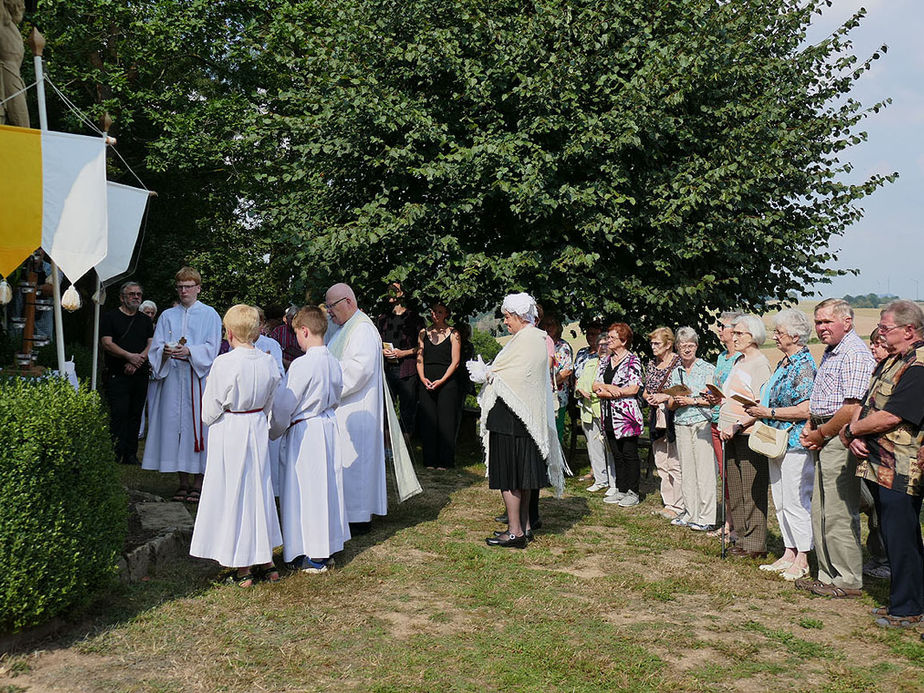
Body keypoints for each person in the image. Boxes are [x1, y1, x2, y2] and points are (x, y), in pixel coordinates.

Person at [843, 300, 924, 626]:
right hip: (881, 464)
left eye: (885, 327)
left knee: (902, 539)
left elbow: (893, 415)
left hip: (903, 470)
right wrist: (858, 434)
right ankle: (905, 599)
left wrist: (851, 429)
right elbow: (870, 402)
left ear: (908, 330)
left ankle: (908, 609)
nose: (880, 332)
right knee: (896, 537)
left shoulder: (917, 367)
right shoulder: (894, 361)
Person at [189, 304, 282, 587]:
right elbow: (270, 399)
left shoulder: (224, 363)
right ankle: (266, 561)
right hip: (255, 426)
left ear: (229, 332)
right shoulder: (267, 361)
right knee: (258, 490)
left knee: (235, 492)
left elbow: (209, 412)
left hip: (231, 429)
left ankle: (243, 567)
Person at [470, 292, 565, 548]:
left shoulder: (527, 340)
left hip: (512, 420)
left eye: (508, 317)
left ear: (520, 316)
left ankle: (514, 532)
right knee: (521, 477)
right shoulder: (534, 338)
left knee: (511, 477)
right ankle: (523, 527)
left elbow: (516, 377)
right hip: (521, 419)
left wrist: (487, 374)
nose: (506, 322)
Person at [797, 298, 874, 598]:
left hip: (839, 437)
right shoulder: (832, 352)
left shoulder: (854, 353)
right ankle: (828, 575)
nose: (821, 327)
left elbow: (852, 407)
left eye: (827, 321)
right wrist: (811, 426)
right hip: (824, 433)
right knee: (822, 510)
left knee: (839, 512)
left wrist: (821, 433)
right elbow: (823, 398)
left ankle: (847, 580)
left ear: (848, 322)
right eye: (818, 322)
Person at [326, 283, 418, 533]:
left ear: (347, 301)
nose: (329, 312)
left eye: (331, 306)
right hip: (345, 408)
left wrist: (327, 384)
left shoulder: (363, 329)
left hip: (357, 407)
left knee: (357, 464)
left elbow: (359, 370)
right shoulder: (344, 329)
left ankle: (358, 516)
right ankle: (348, 512)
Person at [270, 305, 350, 574]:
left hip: (305, 432)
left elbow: (284, 405)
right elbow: (337, 397)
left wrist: (274, 430)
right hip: (326, 426)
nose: (297, 341)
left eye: (297, 335)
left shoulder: (303, 365)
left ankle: (308, 552)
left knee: (305, 491)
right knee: (325, 488)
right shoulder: (334, 362)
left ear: (304, 331)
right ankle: (326, 547)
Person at [742, 309, 816, 580]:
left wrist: (769, 414)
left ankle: (804, 558)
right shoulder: (785, 363)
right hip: (776, 440)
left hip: (796, 442)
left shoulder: (805, 367)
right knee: (781, 500)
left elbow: (806, 408)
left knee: (797, 500)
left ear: (795, 336)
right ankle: (789, 551)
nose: (774, 336)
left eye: (779, 333)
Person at [142, 267, 222, 503]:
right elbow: (155, 349)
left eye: (188, 286)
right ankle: (182, 481)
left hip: (197, 380)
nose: (184, 291)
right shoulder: (168, 315)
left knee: (196, 428)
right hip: (173, 379)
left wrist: (190, 352)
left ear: (198, 288)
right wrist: (165, 353)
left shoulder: (210, 315)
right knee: (175, 429)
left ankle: (198, 481)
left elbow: (212, 346)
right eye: (180, 287)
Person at [717, 314, 773, 558]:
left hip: (748, 434)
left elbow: (761, 405)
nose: (734, 337)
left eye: (739, 333)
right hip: (730, 433)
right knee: (736, 489)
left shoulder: (760, 364)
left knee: (752, 490)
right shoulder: (739, 361)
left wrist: (738, 425)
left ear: (753, 336)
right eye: (734, 332)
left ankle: (756, 544)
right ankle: (740, 537)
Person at [666, 327, 716, 530]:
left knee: (704, 472)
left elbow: (714, 401)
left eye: (690, 345)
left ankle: (707, 517)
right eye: (683, 346)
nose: (687, 349)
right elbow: (669, 403)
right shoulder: (675, 371)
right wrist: (676, 402)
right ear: (677, 348)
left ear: (696, 346)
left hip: (701, 423)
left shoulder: (707, 369)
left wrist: (692, 401)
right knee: (686, 471)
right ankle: (690, 512)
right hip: (681, 423)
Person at [100, 281, 154, 465]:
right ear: (122, 297)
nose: (136, 297)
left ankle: (131, 454)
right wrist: (128, 356)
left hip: (140, 374)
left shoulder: (145, 320)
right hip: (117, 373)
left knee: (135, 414)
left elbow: (151, 343)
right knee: (118, 414)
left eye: (139, 294)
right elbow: (107, 343)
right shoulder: (110, 317)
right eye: (132, 294)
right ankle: (115, 452)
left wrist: (138, 360)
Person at [593, 323, 644, 507]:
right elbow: (595, 385)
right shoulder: (606, 360)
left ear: (623, 341)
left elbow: (634, 387)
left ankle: (633, 491)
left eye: (612, 338)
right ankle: (621, 489)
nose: (608, 341)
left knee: (629, 453)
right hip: (608, 414)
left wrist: (615, 392)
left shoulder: (633, 361)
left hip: (626, 416)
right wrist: (610, 388)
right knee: (616, 453)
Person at [705, 311, 743, 540]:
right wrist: (711, 394)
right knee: (724, 473)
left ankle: (738, 524)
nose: (719, 329)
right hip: (716, 418)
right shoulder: (721, 357)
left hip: (732, 421)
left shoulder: (742, 358)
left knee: (733, 474)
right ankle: (728, 522)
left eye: (723, 326)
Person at [643, 327, 683, 519]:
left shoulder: (678, 363)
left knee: (674, 461)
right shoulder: (652, 364)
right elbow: (645, 389)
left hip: (672, 417)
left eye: (657, 343)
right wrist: (649, 397)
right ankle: (668, 502)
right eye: (651, 343)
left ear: (668, 344)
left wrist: (663, 396)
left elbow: (684, 390)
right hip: (655, 417)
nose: (653, 347)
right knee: (661, 460)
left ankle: (680, 504)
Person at [416, 301, 462, 469]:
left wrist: (442, 380)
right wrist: (422, 378)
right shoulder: (423, 333)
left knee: (446, 422)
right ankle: (429, 460)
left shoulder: (454, 333)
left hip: (447, 382)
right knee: (428, 421)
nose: (436, 315)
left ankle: (445, 461)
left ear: (447, 314)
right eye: (434, 311)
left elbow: (455, 361)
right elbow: (419, 359)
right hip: (427, 381)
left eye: (440, 312)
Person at [860, 327, 890, 580]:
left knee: (883, 510)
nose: (874, 348)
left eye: (879, 343)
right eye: (872, 343)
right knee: (874, 510)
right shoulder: (876, 371)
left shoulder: (898, 372)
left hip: (888, 453)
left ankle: (888, 561)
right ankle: (879, 556)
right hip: (869, 450)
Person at [376, 281, 425, 436]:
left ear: (402, 293)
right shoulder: (383, 319)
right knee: (385, 409)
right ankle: (386, 446)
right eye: (388, 290)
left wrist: (403, 353)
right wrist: (383, 351)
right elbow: (377, 342)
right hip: (387, 369)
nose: (391, 293)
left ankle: (405, 448)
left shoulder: (415, 319)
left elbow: (422, 346)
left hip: (407, 370)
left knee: (407, 410)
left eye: (395, 290)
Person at [574, 335, 611, 493]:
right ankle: (600, 479)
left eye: (606, 344)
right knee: (593, 445)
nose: (603, 347)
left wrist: (593, 392)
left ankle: (613, 479)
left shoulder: (612, 364)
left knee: (609, 446)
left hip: (604, 409)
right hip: (588, 411)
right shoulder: (589, 363)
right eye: (600, 344)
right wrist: (580, 390)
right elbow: (579, 383)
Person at [573, 320, 604, 484]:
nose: (591, 337)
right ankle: (595, 469)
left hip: (598, 400)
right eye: (589, 333)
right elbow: (576, 374)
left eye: (594, 334)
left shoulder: (604, 354)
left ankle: (602, 472)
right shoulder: (582, 353)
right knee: (589, 437)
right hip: (583, 400)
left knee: (601, 437)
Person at [542, 314, 573, 446]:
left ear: (557, 327)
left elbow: (567, 371)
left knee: (555, 430)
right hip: (540, 393)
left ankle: (557, 462)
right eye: (545, 324)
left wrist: (550, 383)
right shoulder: (539, 343)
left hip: (557, 396)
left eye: (551, 324)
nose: (548, 327)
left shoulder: (563, 346)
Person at [270, 305, 304, 370]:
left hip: (301, 367)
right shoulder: (278, 331)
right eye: (291, 318)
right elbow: (272, 351)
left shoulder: (304, 332)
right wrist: (284, 362)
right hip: (282, 368)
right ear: (286, 318)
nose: (293, 321)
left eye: (295, 319)